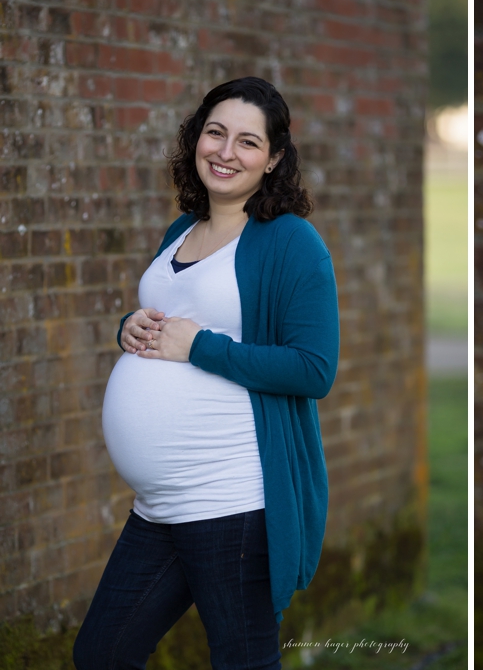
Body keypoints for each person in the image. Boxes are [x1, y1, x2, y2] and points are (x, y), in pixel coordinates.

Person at [75, 77, 338, 669]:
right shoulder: (182, 231)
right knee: (101, 655)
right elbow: (175, 319)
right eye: (215, 133)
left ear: (273, 159)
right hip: (161, 503)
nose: (225, 151)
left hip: (232, 497)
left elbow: (314, 369)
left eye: (248, 142)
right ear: (195, 138)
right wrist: (130, 326)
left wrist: (203, 348)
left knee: (242, 661)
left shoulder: (292, 242)